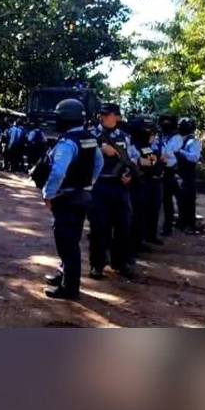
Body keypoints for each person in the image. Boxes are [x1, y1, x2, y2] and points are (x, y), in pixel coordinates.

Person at [42, 99, 103, 300]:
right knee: (72, 238)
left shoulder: (68, 142)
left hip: (66, 197)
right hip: (82, 195)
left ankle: (69, 288)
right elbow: (99, 162)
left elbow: (58, 171)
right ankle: (63, 275)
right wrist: (89, 184)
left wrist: (48, 193)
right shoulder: (90, 138)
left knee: (66, 242)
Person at [89, 102, 134, 279]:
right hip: (99, 185)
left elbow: (130, 158)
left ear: (117, 117)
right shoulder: (92, 134)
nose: (103, 117)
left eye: (107, 114)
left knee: (123, 225)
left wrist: (128, 174)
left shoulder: (124, 137)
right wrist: (100, 148)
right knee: (99, 227)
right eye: (102, 114)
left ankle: (120, 262)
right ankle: (97, 265)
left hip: (119, 186)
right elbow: (84, 154)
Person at [127, 117, 165, 253]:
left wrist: (155, 162)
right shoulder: (133, 146)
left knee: (150, 212)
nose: (153, 136)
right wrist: (143, 162)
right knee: (137, 215)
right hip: (138, 185)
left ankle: (144, 239)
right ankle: (134, 244)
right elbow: (134, 162)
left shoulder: (147, 147)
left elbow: (152, 162)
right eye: (150, 133)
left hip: (151, 183)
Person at [157, 114, 184, 237]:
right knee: (165, 200)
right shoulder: (161, 136)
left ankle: (178, 223)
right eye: (164, 121)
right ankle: (167, 226)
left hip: (173, 171)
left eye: (168, 121)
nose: (165, 124)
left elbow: (171, 153)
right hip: (162, 170)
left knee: (177, 199)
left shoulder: (177, 137)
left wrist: (164, 155)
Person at [175, 117, 201, 234]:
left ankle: (190, 224)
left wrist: (179, 151)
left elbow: (194, 157)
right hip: (179, 173)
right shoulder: (179, 140)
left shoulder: (193, 141)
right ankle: (181, 222)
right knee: (180, 199)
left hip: (188, 174)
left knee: (189, 199)